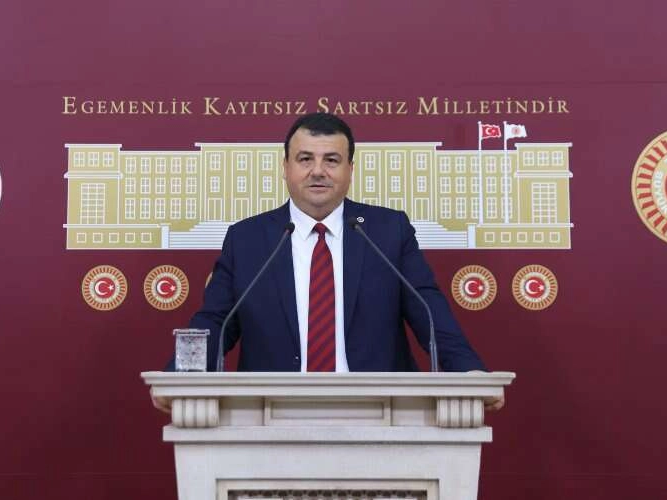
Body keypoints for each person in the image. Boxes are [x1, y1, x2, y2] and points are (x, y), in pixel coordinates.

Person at [152, 112, 504, 413]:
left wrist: (468, 372)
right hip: (271, 411)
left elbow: (429, 310)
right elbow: (216, 322)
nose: (317, 171)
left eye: (331, 160)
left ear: (350, 169)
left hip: (378, 409)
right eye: (305, 159)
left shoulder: (387, 231)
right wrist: (181, 376)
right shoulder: (247, 239)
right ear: (286, 167)